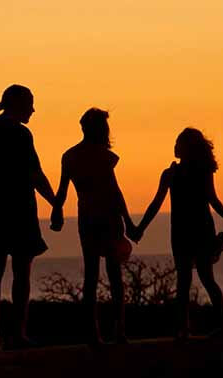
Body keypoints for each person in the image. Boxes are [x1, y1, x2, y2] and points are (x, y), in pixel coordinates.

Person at [0, 84, 55, 350]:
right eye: (30, 103)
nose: (33, 109)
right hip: (19, 211)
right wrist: (56, 203)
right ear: (17, 104)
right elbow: (36, 174)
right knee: (19, 275)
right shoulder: (19, 134)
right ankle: (15, 333)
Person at [135, 127, 223, 340]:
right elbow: (155, 204)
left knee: (203, 279)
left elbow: (212, 198)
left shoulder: (199, 171)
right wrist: (141, 228)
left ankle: (218, 326)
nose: (174, 146)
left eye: (178, 143)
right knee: (187, 281)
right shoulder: (170, 173)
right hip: (184, 233)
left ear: (187, 148)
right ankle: (186, 328)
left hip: (197, 231)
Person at [51, 108, 138, 345]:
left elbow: (62, 191)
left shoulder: (70, 156)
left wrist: (57, 212)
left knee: (92, 275)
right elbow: (115, 192)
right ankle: (118, 331)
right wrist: (129, 221)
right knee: (114, 275)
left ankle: (94, 333)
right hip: (108, 218)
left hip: (87, 217)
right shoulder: (103, 156)